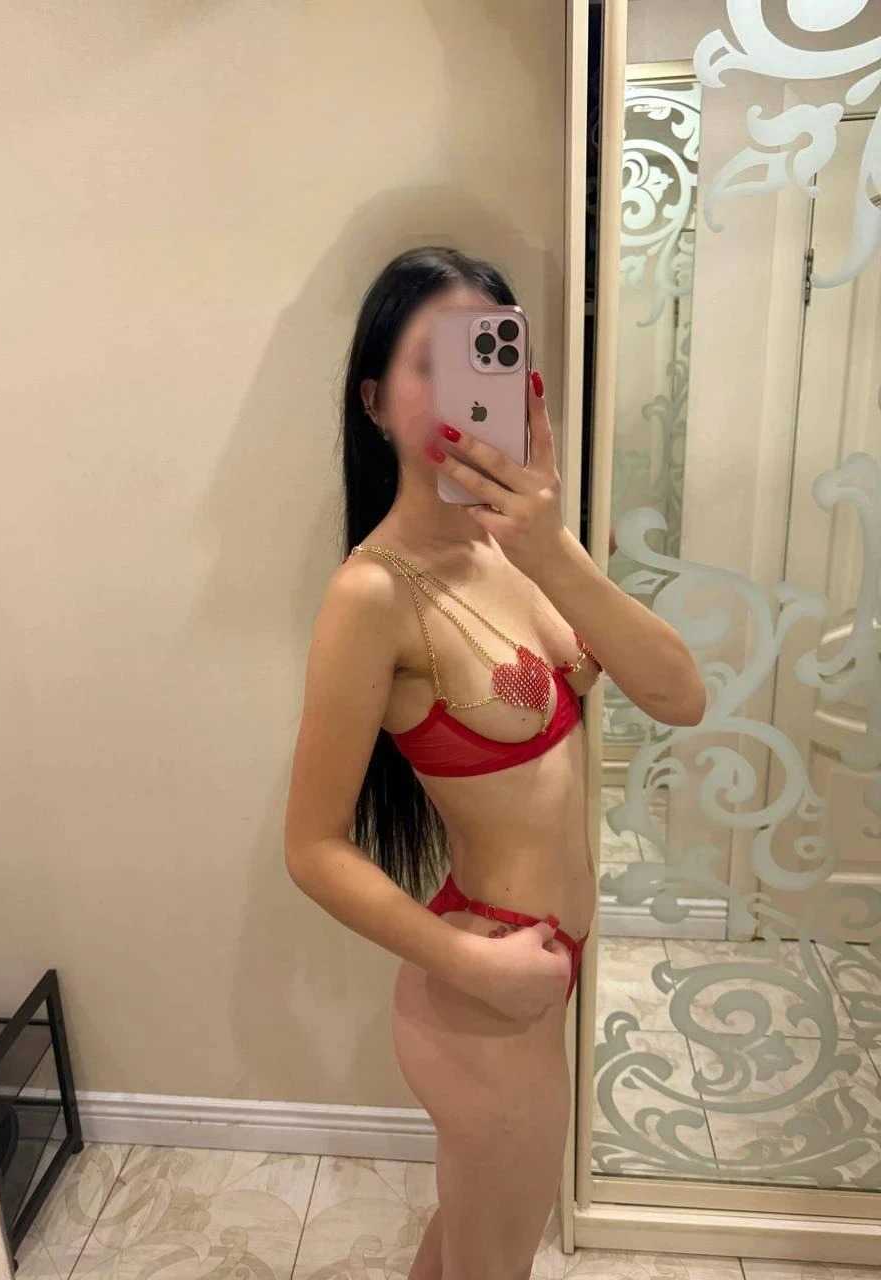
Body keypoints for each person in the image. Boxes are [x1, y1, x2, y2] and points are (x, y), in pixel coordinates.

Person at [283, 246, 705, 1280]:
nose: (465, 388)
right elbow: (311, 846)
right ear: (374, 401)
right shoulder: (374, 593)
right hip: (481, 996)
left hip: (534, 979)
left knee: (468, 1244)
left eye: (488, 355)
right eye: (431, 362)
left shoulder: (524, 551)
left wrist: (551, 544)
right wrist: (472, 964)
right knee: (493, 1261)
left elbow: (679, 695)